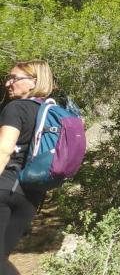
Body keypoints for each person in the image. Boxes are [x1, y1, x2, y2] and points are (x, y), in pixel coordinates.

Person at [0, 60, 52, 273]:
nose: (8, 83)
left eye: (15, 78)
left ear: (33, 82)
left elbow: (4, 149)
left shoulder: (15, 108)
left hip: (4, 188)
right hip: (31, 196)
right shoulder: (49, 112)